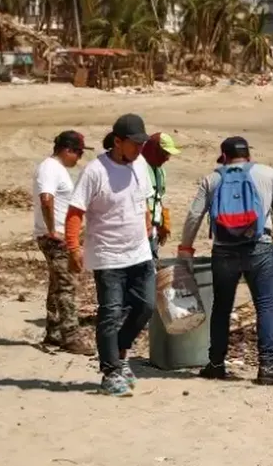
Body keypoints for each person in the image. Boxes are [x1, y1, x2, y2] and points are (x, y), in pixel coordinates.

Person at [179, 136, 273, 385]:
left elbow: (194, 215)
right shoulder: (268, 173)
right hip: (260, 248)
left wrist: (186, 249)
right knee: (265, 305)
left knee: (222, 307)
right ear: (248, 155)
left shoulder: (212, 179)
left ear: (224, 156)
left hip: (223, 251)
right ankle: (269, 365)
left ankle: (216, 364)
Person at [65, 114, 157, 397]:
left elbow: (142, 202)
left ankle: (119, 350)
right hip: (108, 255)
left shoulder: (140, 165)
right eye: (134, 144)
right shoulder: (95, 171)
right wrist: (73, 248)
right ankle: (110, 372)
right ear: (117, 142)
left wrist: (148, 227)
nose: (139, 149)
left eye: (142, 144)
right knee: (110, 313)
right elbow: (75, 212)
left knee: (146, 306)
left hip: (139, 252)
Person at [32, 130, 94, 354]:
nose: (79, 158)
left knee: (57, 285)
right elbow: (46, 199)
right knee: (66, 286)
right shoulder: (50, 168)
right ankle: (71, 337)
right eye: (78, 153)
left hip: (56, 235)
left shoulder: (55, 169)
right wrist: (53, 231)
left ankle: (54, 331)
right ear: (67, 150)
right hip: (55, 238)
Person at [138, 131, 182, 259]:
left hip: (154, 231)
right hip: (140, 232)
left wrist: (163, 223)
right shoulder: (138, 168)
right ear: (154, 150)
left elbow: (159, 199)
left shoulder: (160, 171)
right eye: (165, 153)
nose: (167, 158)